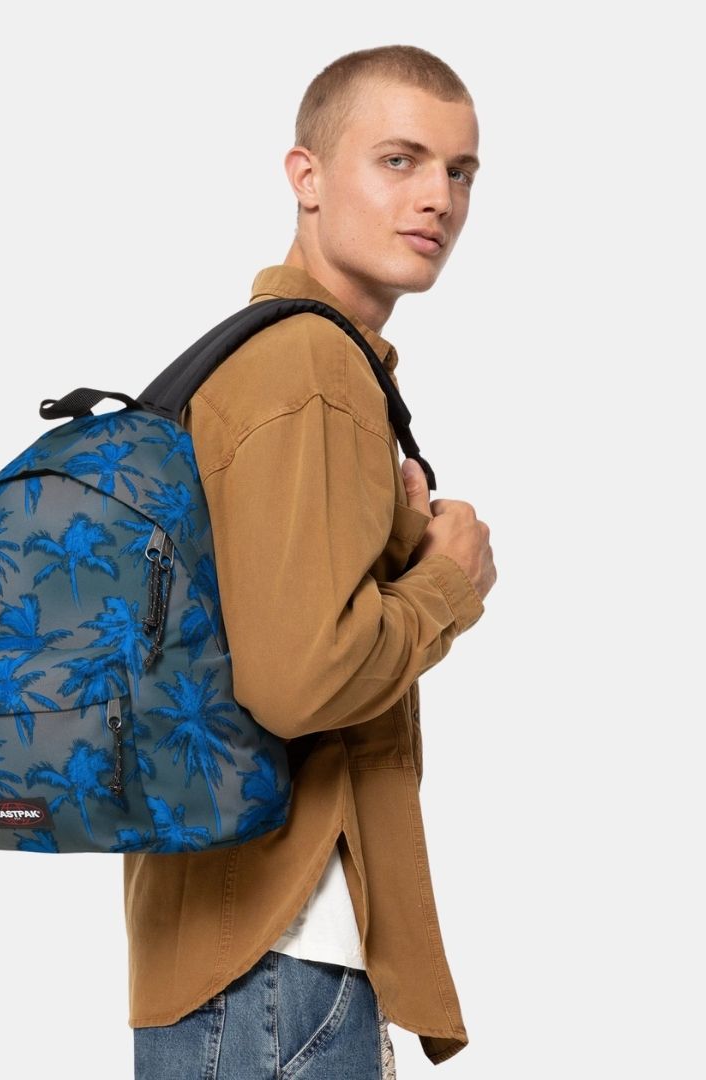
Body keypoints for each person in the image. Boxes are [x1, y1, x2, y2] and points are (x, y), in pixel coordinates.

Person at [127, 44, 496, 1078]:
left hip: (230, 958)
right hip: (284, 965)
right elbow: (298, 680)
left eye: (460, 171)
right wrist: (447, 585)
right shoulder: (314, 365)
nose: (439, 198)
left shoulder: (257, 355)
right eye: (399, 160)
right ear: (307, 177)